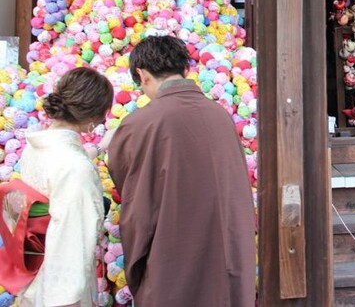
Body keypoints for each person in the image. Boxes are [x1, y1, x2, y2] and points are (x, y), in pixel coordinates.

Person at [107, 35, 255, 306]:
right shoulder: (220, 116)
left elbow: (132, 197)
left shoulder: (140, 124)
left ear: (142, 75)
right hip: (227, 259)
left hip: (171, 261)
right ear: (185, 69)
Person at [18, 66, 114, 307]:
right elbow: (71, 242)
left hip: (32, 269)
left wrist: (99, 147)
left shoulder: (35, 147)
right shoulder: (76, 167)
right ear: (95, 117)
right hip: (56, 288)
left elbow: (70, 160)